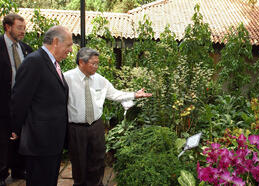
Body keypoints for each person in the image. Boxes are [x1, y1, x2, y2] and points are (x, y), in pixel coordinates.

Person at [64, 47, 152, 186]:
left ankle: (97, 183)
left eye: (98, 63)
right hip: (76, 128)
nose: (96, 66)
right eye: (93, 63)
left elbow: (114, 94)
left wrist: (134, 94)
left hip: (96, 126)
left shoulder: (100, 80)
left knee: (98, 159)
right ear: (81, 62)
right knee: (79, 161)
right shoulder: (66, 78)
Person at [10, 25, 73, 186]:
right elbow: (20, 99)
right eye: (68, 45)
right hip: (39, 142)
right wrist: (15, 129)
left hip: (52, 141)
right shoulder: (34, 62)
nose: (70, 50)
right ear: (56, 42)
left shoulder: (53, 63)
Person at [0, 13, 33, 186]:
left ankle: (19, 169)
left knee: (21, 136)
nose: (23, 32)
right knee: (3, 139)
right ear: (8, 27)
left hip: (22, 103)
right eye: (19, 28)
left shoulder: (26, 49)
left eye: (24, 28)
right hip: (3, 102)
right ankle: (1, 175)